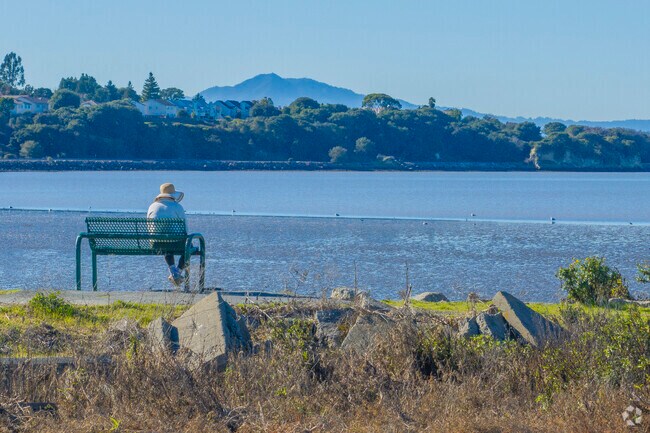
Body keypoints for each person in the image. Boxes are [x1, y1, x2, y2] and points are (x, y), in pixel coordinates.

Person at [147, 183, 187, 285]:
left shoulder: (152, 206)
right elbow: (185, 230)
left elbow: (149, 225)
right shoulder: (177, 207)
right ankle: (177, 272)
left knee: (165, 244)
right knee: (188, 246)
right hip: (175, 242)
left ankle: (173, 272)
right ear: (173, 195)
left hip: (156, 243)